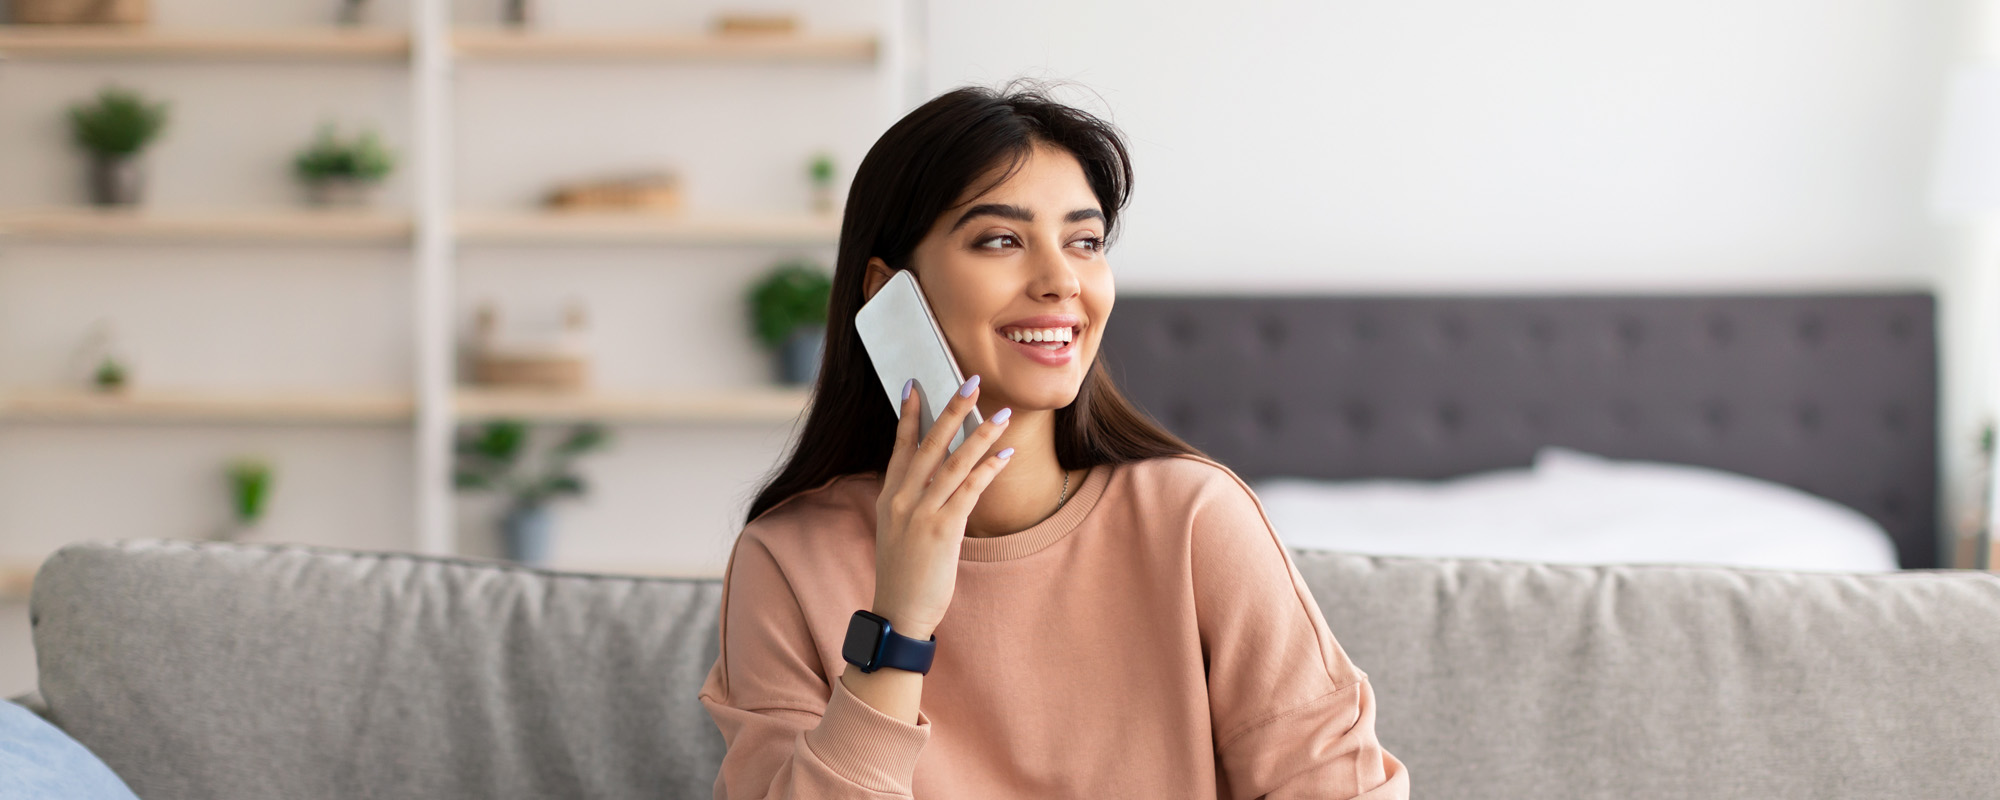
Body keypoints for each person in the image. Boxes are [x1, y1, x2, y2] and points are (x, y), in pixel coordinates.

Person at [698, 79, 1409, 799]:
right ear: (888, 293)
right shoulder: (787, 560)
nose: (1061, 279)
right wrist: (899, 621)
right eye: (1001, 239)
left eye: (1085, 241)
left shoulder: (1193, 520)